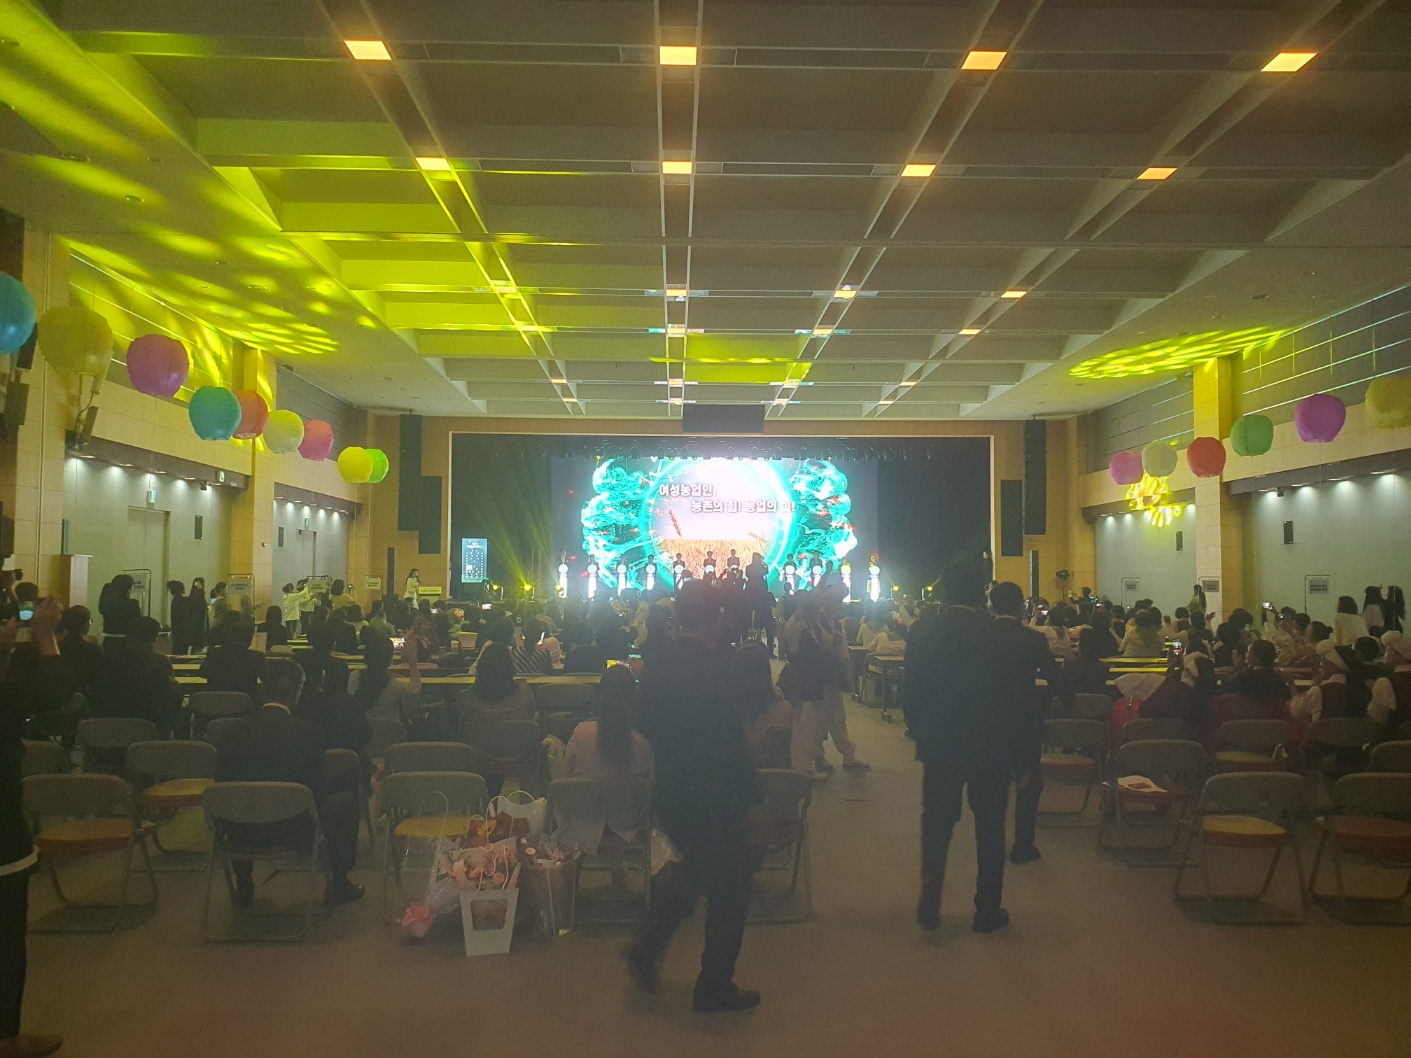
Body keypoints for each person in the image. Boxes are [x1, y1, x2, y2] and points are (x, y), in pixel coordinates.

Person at [626, 583, 760, 1012]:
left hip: (673, 787)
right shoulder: (717, 666)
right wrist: (749, 791)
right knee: (731, 887)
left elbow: (640, 719)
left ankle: (647, 948)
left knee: (700, 871)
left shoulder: (658, 665)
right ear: (715, 617)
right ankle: (713, 984)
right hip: (715, 793)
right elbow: (732, 736)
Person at [904, 558, 1013, 934]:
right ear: (981, 591)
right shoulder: (996, 633)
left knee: (936, 821)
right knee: (990, 827)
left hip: (941, 742)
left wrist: (920, 732)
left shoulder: (924, 630)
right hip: (990, 744)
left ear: (945, 591)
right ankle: (987, 909)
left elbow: (911, 688)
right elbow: (1010, 695)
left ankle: (931, 892)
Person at [214, 659, 362, 907]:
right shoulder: (309, 734)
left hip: (238, 831)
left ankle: (243, 881)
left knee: (241, 798)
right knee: (345, 802)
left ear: (261, 690)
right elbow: (317, 794)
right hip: (293, 829)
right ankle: (339, 884)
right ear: (298, 692)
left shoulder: (230, 732)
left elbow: (221, 785)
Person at [0, 598, 72, 1058]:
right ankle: (7, 1037)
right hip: (2, 838)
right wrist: (44, 636)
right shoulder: (7, 695)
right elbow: (56, 690)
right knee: (6, 940)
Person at [989, 582, 1063, 866]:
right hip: (1024, 719)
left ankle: (991, 842)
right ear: (1021, 606)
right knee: (1028, 782)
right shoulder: (1033, 639)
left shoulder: (981, 636)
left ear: (992, 606)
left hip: (989, 720)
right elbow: (1054, 678)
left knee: (993, 783)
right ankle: (1023, 845)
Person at [780, 592, 867, 778]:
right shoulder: (799, 625)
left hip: (811, 679)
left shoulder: (810, 624)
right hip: (804, 680)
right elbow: (800, 651)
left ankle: (806, 765)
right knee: (804, 724)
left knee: (808, 724)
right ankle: (804, 767)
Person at [99, 616, 181, 736]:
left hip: (109, 732)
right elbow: (172, 699)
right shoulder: (159, 664)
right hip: (150, 731)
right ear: (152, 639)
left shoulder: (108, 662)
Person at [352, 636, 421, 724]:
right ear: (390, 660)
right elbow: (416, 689)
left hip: (360, 730)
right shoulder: (395, 686)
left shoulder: (354, 676)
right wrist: (412, 659)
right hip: (389, 732)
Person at [463, 641, 536, 720]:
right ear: (510, 666)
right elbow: (531, 714)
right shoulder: (523, 691)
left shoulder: (467, 698)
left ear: (481, 666)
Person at [199, 620, 266, 702]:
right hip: (246, 704)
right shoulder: (257, 657)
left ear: (230, 636)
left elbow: (202, 673)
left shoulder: (213, 653)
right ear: (250, 639)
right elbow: (265, 677)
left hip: (215, 703)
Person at [56, 605, 104, 704]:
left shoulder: (56, 648)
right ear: (86, 624)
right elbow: (99, 681)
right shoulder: (94, 650)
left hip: (60, 698)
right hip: (86, 700)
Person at [1225, 639, 1293, 702]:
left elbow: (1228, 685)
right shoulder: (1278, 677)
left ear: (1256, 657)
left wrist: (1237, 666)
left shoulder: (1245, 676)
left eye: (1248, 652)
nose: (1245, 653)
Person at [1368, 632, 1411, 728]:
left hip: (1397, 736)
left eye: (1388, 650)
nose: (1385, 654)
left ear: (1399, 656)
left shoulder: (1385, 683)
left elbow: (1377, 719)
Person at [299, 625, 351, 701]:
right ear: (333, 645)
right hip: (332, 702)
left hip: (303, 702)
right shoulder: (339, 665)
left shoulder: (300, 659)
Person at [1064, 626, 1112, 696]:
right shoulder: (1104, 667)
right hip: (1096, 702)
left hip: (1074, 702)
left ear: (1080, 644)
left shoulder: (1069, 664)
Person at [97, 574, 142, 644]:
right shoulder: (133, 604)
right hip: (126, 641)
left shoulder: (106, 603)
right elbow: (137, 623)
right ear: (128, 589)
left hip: (108, 640)